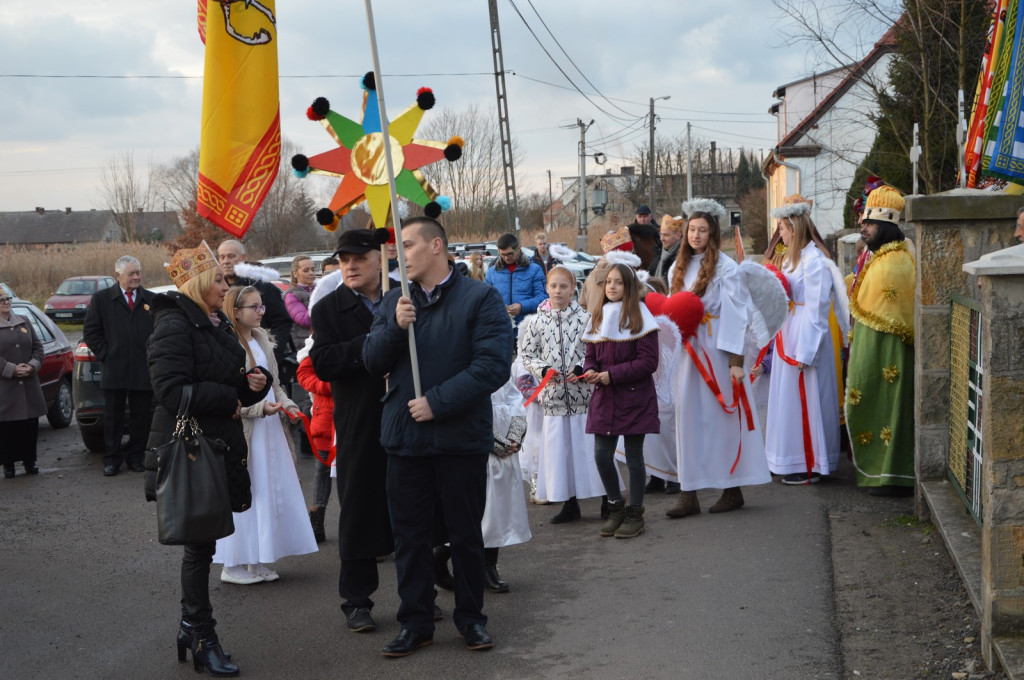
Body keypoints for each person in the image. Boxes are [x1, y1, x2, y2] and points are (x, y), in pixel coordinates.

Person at [363, 216, 513, 657]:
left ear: (436, 246)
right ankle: (416, 622)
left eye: (407, 245)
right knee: (409, 538)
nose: (399, 253)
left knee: (465, 535)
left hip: (459, 438)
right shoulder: (395, 299)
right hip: (404, 439)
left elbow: (492, 366)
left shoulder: (479, 298)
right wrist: (394, 325)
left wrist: (438, 401)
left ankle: (471, 619)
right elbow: (371, 362)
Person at [144, 242, 271, 677]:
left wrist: (255, 383)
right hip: (193, 452)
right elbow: (171, 392)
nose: (225, 284)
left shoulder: (211, 322)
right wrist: (228, 398)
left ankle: (189, 627)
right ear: (199, 283)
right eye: (218, 278)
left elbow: (230, 380)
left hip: (218, 447)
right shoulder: (174, 325)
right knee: (199, 548)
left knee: (205, 543)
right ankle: (201, 634)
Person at [310, 228, 395, 634]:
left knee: (416, 508)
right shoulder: (329, 309)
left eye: (359, 258)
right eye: (344, 260)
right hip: (360, 421)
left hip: (409, 414)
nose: (350, 266)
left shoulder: (406, 296)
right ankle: (356, 601)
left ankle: (421, 595)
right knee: (359, 511)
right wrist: (374, 341)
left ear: (380, 257)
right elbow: (324, 362)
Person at [667, 198, 771, 518]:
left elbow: (737, 317)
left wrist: (735, 363)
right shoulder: (677, 266)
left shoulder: (727, 268)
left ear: (713, 234)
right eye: (692, 230)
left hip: (715, 350)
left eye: (702, 231)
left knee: (720, 420)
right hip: (688, 352)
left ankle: (732, 488)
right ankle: (689, 492)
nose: (695, 236)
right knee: (687, 421)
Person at [213, 285, 318, 584]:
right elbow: (230, 397)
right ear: (236, 311)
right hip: (247, 433)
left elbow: (274, 385)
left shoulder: (262, 340)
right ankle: (231, 564)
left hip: (270, 430)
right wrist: (260, 409)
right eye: (254, 307)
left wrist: (286, 405)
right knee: (244, 494)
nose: (261, 311)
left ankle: (256, 558)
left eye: (261, 306)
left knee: (265, 493)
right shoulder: (228, 346)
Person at [764, 199, 849, 484]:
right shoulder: (790, 259)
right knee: (786, 400)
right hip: (788, 330)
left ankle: (808, 463)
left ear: (795, 228)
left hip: (804, 335)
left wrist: (806, 350)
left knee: (806, 400)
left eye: (783, 228)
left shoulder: (814, 262)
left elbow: (816, 310)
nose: (780, 234)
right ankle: (786, 457)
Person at [517, 266, 608, 524]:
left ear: (573, 289)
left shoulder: (586, 319)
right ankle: (569, 502)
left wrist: (581, 367)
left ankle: (607, 499)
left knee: (589, 450)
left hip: (583, 398)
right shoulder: (536, 321)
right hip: (554, 399)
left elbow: (594, 348)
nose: (558, 291)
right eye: (553, 286)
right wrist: (544, 369)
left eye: (563, 286)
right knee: (561, 454)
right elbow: (527, 354)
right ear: (547, 288)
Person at [845, 186, 916, 496]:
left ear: (885, 225)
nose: (864, 229)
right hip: (871, 348)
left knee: (890, 408)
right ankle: (878, 473)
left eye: (869, 224)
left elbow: (893, 312)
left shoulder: (896, 261)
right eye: (863, 223)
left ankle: (891, 475)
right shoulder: (878, 257)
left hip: (890, 353)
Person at [582, 263, 660, 539]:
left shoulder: (641, 317)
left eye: (618, 282)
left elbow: (648, 362)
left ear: (629, 287)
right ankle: (616, 505)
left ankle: (635, 513)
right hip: (605, 399)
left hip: (634, 398)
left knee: (634, 457)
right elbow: (590, 354)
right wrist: (589, 370)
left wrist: (611, 375)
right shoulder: (598, 316)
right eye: (608, 282)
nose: (612, 287)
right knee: (602, 455)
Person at [82, 255, 155, 477]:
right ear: (118, 275)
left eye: (138, 273)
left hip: (143, 369)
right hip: (115, 369)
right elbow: (91, 333)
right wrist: (107, 354)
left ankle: (135, 457)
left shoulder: (150, 299)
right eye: (132, 273)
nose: (136, 277)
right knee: (113, 417)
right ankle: (112, 459)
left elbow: (159, 331)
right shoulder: (102, 299)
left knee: (140, 416)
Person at [217, 239, 294, 383]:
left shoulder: (260, 286)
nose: (226, 261)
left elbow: (282, 322)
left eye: (231, 256)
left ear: (243, 258)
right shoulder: (217, 289)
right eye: (222, 257)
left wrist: (270, 353)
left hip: (260, 363)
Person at [0, 292, 45, 478]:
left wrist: (32, 366)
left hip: (28, 384)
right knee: (8, 429)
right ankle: (8, 464)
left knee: (29, 425)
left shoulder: (24, 320)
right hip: (5, 388)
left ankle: (29, 461)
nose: (6, 302)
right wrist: (11, 369)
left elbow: (38, 348)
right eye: (1, 300)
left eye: (8, 299)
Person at [296, 337, 334, 543]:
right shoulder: (318, 341)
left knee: (353, 473)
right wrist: (326, 385)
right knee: (322, 469)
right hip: (325, 416)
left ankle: (356, 523)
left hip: (350, 414)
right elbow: (303, 374)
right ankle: (316, 522)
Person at [484, 232, 547, 335]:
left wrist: (522, 306)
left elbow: (543, 298)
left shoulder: (534, 270)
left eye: (510, 254)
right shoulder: (492, 272)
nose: (506, 258)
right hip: (501, 330)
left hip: (528, 329)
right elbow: (485, 299)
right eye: (503, 254)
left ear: (518, 248)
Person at [284, 255, 316, 351]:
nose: (311, 273)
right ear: (295, 273)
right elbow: (305, 320)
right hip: (303, 344)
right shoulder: (291, 295)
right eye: (306, 270)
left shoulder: (319, 288)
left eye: (313, 269)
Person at [629, 204, 662, 276]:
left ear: (651, 217)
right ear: (636, 217)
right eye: (640, 217)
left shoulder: (659, 231)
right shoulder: (630, 233)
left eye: (645, 216)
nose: (642, 219)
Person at [653, 214, 684, 279]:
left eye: (666, 235)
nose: (661, 238)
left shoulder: (684, 257)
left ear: (678, 235)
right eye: (661, 234)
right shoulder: (659, 253)